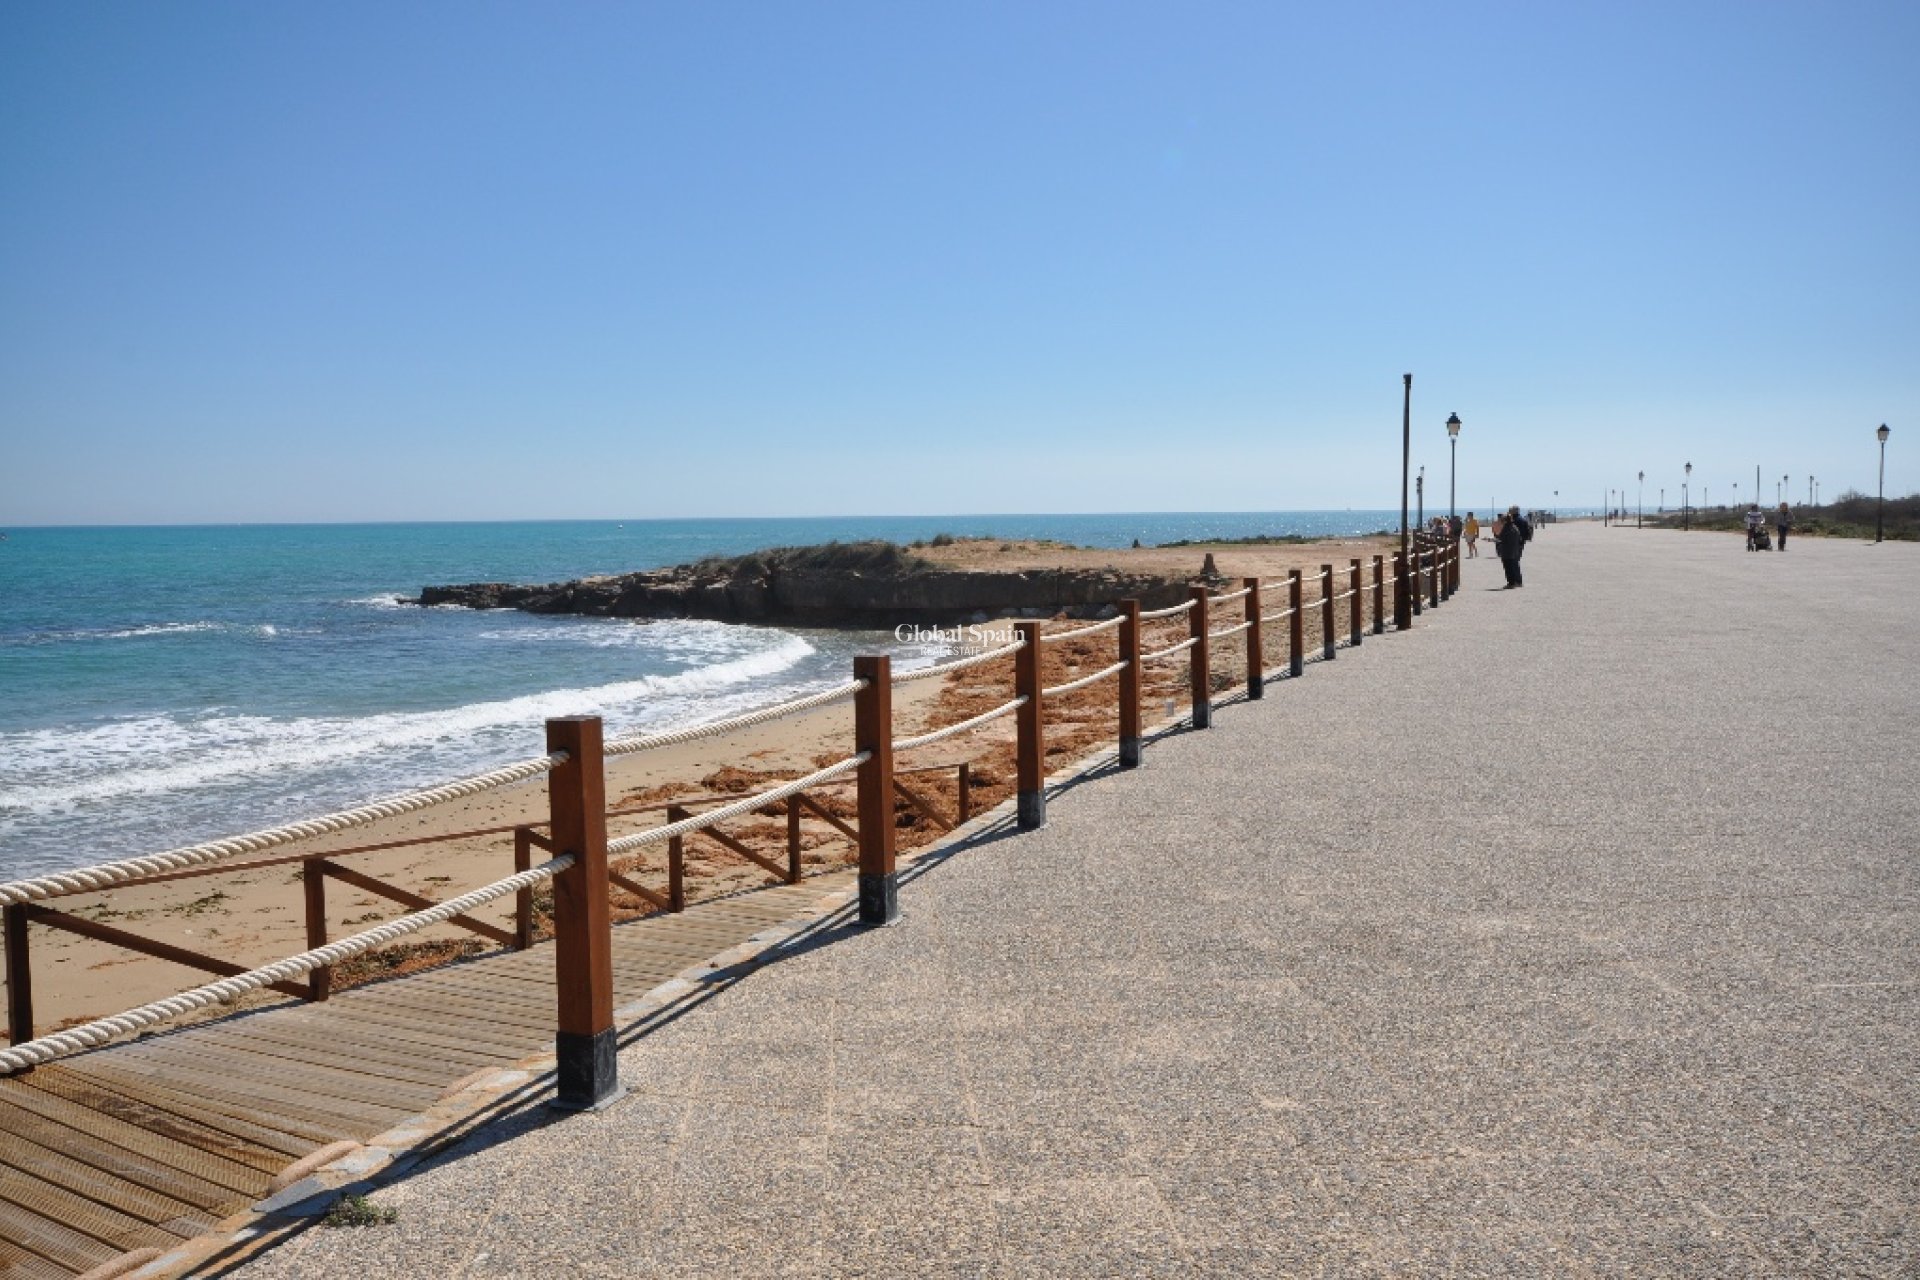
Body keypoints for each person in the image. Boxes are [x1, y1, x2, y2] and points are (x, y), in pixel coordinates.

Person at [1495, 505, 1529, 587]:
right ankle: (1518, 581)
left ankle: (1513, 582)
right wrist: (1521, 541)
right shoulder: (1523, 520)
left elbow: (1503, 536)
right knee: (1515, 563)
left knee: (1511, 563)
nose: (1508, 512)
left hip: (1511, 545)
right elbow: (1527, 534)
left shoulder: (1513, 522)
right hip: (1519, 544)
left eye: (1510, 510)